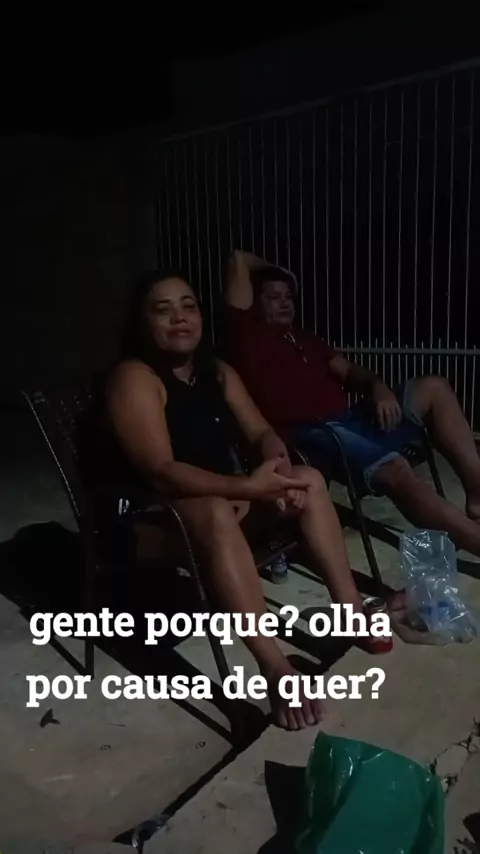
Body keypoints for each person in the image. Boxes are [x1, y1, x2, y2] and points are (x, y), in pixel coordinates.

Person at [106, 269, 391, 731]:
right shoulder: (134, 378)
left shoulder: (217, 371)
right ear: (142, 322)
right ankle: (276, 669)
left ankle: (351, 610)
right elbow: (162, 471)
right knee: (216, 512)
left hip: (222, 500)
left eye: (188, 306)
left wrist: (276, 466)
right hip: (149, 521)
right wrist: (250, 489)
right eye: (163, 309)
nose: (180, 317)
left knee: (306, 479)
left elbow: (260, 431)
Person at [223, 249, 480, 558]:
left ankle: (477, 497)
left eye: (289, 296)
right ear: (254, 303)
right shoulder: (246, 335)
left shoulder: (305, 338)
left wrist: (378, 387)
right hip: (314, 433)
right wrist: (283, 272)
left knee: (433, 387)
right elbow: (238, 259)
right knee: (394, 468)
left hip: (351, 418)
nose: (286, 303)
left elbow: (348, 370)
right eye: (274, 297)